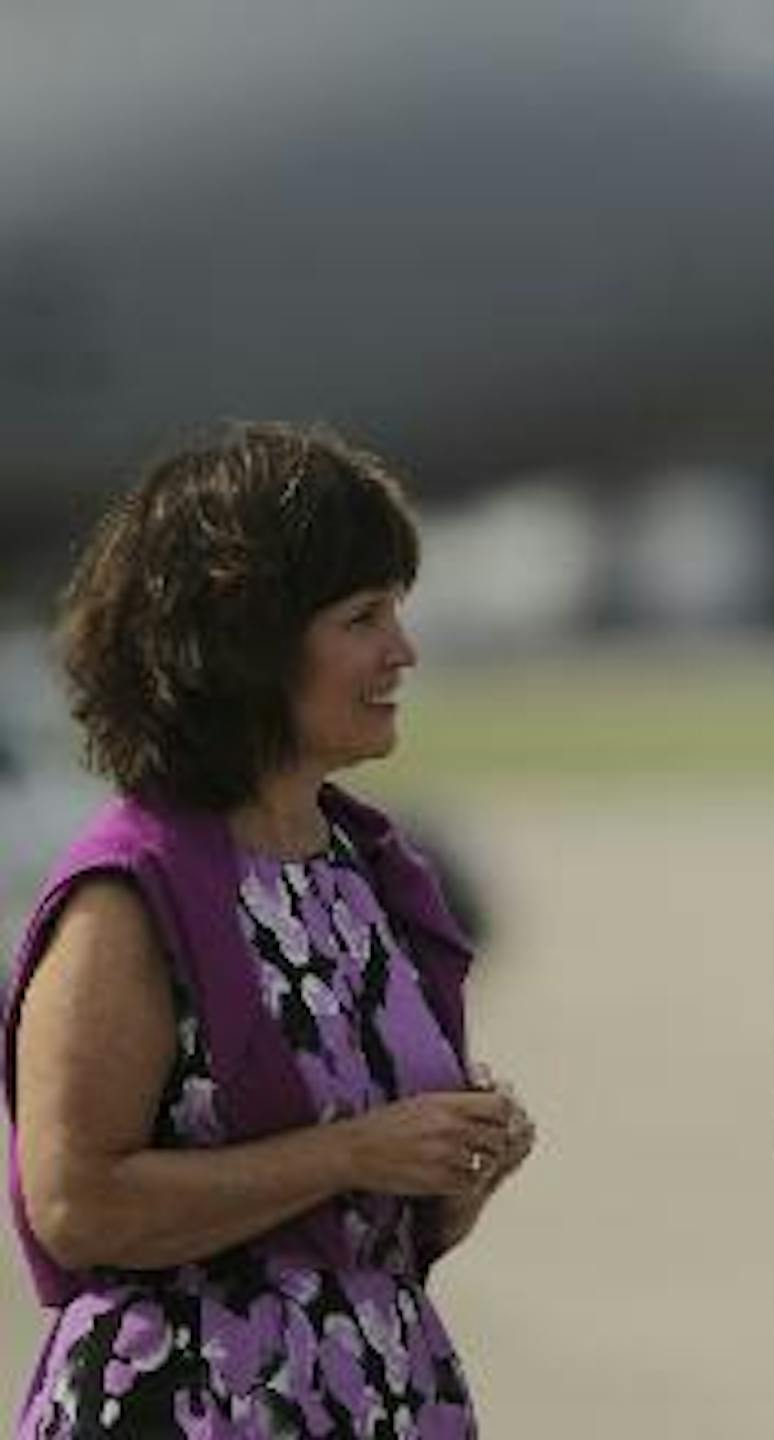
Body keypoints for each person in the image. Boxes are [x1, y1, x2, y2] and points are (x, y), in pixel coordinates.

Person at [4, 421, 536, 1436]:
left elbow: (348, 1235)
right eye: (362, 618)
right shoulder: (129, 894)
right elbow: (74, 1207)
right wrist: (351, 1154)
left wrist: (452, 1167)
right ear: (247, 644)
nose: (403, 650)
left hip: (374, 1397)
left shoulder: (362, 869)